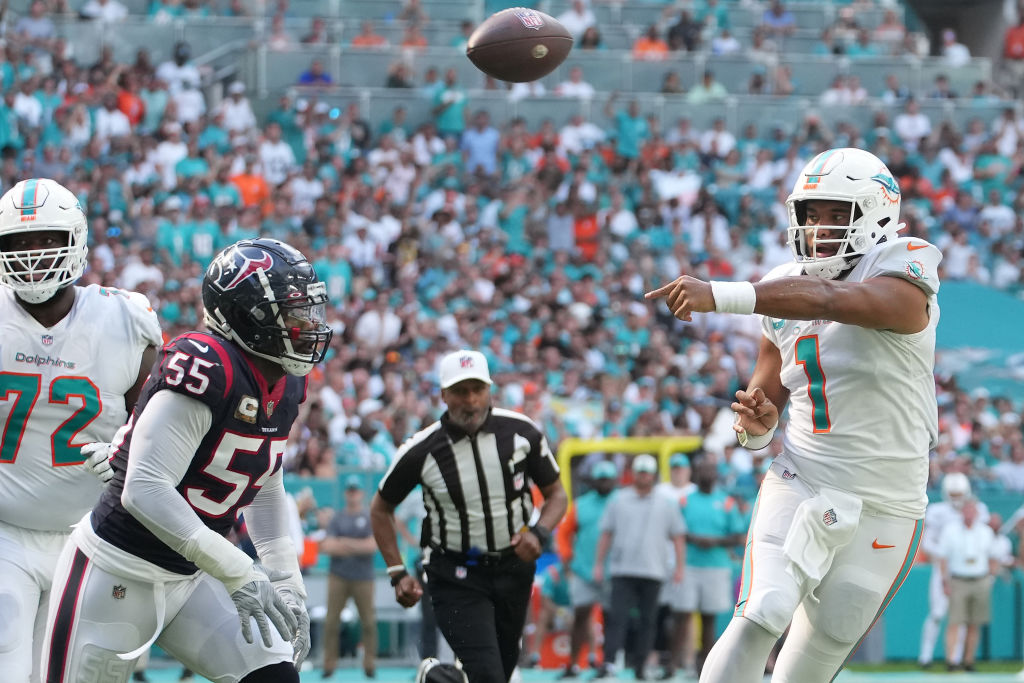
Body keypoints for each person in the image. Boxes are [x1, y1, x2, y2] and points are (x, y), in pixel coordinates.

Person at [646, 147, 942, 682]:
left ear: (876, 212)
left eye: (835, 214)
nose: (818, 227)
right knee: (765, 607)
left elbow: (834, 300)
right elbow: (761, 405)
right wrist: (755, 429)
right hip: (804, 475)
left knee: (822, 646)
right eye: (810, 214)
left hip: (890, 500)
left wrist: (723, 294)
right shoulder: (783, 285)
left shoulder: (906, 263)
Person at [41, 238, 334, 682]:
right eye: (294, 312)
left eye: (310, 310)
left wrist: (285, 578)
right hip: (118, 567)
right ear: (248, 315)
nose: (308, 324)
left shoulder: (288, 381)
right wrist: (238, 569)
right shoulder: (206, 364)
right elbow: (145, 489)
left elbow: (265, 482)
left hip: (196, 574)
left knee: (273, 676)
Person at [0, 177, 161, 683]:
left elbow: (158, 431)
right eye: (18, 242)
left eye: (46, 239)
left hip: (94, 535)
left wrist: (123, 447)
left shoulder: (124, 318)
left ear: (75, 239)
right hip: (6, 530)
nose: (31, 254)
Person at [370, 349, 568, 683]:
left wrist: (539, 533)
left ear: (490, 390)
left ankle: (437, 677)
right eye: (461, 391)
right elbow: (380, 508)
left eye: (478, 389)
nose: (471, 400)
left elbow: (557, 495)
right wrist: (397, 571)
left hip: (512, 568)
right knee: (489, 675)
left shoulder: (522, 433)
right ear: (443, 395)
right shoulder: (422, 449)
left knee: (498, 675)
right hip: (454, 572)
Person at [592, 454, 685, 680]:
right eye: (640, 472)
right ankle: (609, 663)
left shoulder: (666, 503)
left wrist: (680, 567)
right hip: (622, 569)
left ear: (653, 475)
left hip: (653, 570)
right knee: (617, 618)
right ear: (634, 473)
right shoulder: (619, 499)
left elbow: (678, 537)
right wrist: (598, 563)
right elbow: (606, 534)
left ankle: (641, 665)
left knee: (648, 621)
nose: (643, 476)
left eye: (647, 472)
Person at [667, 456, 746, 678]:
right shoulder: (685, 500)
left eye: (710, 471)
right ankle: (673, 664)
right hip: (689, 565)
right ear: (695, 473)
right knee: (682, 615)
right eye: (702, 470)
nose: (706, 475)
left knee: (708, 619)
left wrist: (714, 541)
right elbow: (675, 530)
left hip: (716, 566)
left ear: (716, 475)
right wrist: (694, 538)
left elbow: (738, 535)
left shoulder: (727, 502)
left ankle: (704, 668)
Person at [553, 460, 619, 679]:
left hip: (614, 571)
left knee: (612, 619)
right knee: (580, 616)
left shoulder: (620, 502)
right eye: (600, 479)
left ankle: (608, 664)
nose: (604, 483)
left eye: (607, 479)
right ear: (593, 481)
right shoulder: (581, 505)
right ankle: (573, 663)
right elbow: (564, 533)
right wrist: (567, 557)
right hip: (583, 569)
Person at [918, 472, 989, 669]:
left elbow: (980, 539)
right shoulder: (937, 511)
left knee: (963, 617)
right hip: (943, 567)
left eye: (959, 495)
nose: (956, 499)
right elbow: (927, 542)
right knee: (937, 613)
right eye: (953, 494)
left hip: (966, 569)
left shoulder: (978, 509)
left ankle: (956, 659)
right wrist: (944, 553)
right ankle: (925, 657)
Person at [321, 475, 379, 679]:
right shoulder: (338, 517)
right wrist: (358, 545)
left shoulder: (369, 517)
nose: (353, 494)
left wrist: (343, 543)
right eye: (350, 490)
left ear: (361, 493)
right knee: (331, 622)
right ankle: (329, 664)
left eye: (356, 490)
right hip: (339, 576)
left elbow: (372, 546)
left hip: (363, 577)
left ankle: (370, 663)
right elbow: (327, 546)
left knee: (369, 622)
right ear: (346, 493)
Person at [937, 498, 1000, 672]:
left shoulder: (986, 532)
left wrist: (990, 578)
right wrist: (945, 581)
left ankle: (968, 660)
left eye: (973, 510)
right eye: (967, 510)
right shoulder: (950, 530)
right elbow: (943, 558)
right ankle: (951, 661)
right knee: (955, 621)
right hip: (959, 580)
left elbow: (994, 556)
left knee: (974, 623)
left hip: (980, 579)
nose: (970, 513)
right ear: (962, 512)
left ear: (977, 513)